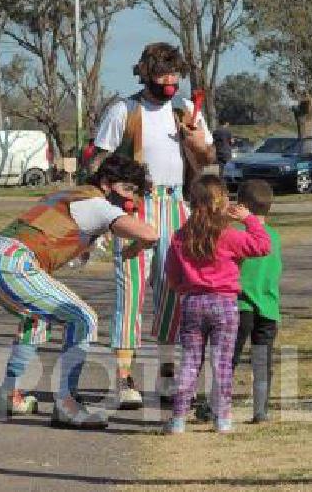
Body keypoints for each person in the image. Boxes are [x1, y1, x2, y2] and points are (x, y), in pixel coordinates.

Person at [0, 155, 158, 428]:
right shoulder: (98, 205)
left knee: (36, 319)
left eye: (135, 192)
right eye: (128, 189)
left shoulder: (69, 195)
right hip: (13, 264)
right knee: (83, 318)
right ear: (108, 184)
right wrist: (138, 245)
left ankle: (10, 395)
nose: (131, 199)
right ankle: (67, 405)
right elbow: (150, 234)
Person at [91, 42, 216, 409]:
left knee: (174, 290)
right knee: (130, 292)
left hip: (177, 204)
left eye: (175, 75)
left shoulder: (185, 110)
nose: (170, 82)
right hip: (137, 207)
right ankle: (124, 378)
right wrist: (109, 207)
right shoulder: (123, 111)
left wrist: (198, 143)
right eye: (163, 75)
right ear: (146, 74)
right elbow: (99, 161)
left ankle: (166, 373)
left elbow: (208, 156)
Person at [163, 174, 271, 433]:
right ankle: (222, 418)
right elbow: (262, 246)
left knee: (190, 361)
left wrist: (184, 289)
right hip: (224, 303)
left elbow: (172, 273)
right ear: (222, 202)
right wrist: (249, 219)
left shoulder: (181, 237)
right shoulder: (229, 236)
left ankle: (178, 418)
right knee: (221, 362)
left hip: (192, 302)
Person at [230, 179, 283, 423]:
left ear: (242, 206)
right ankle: (261, 410)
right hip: (269, 307)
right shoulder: (274, 237)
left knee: (229, 356)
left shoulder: (239, 236)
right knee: (262, 359)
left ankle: (214, 405)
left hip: (242, 305)